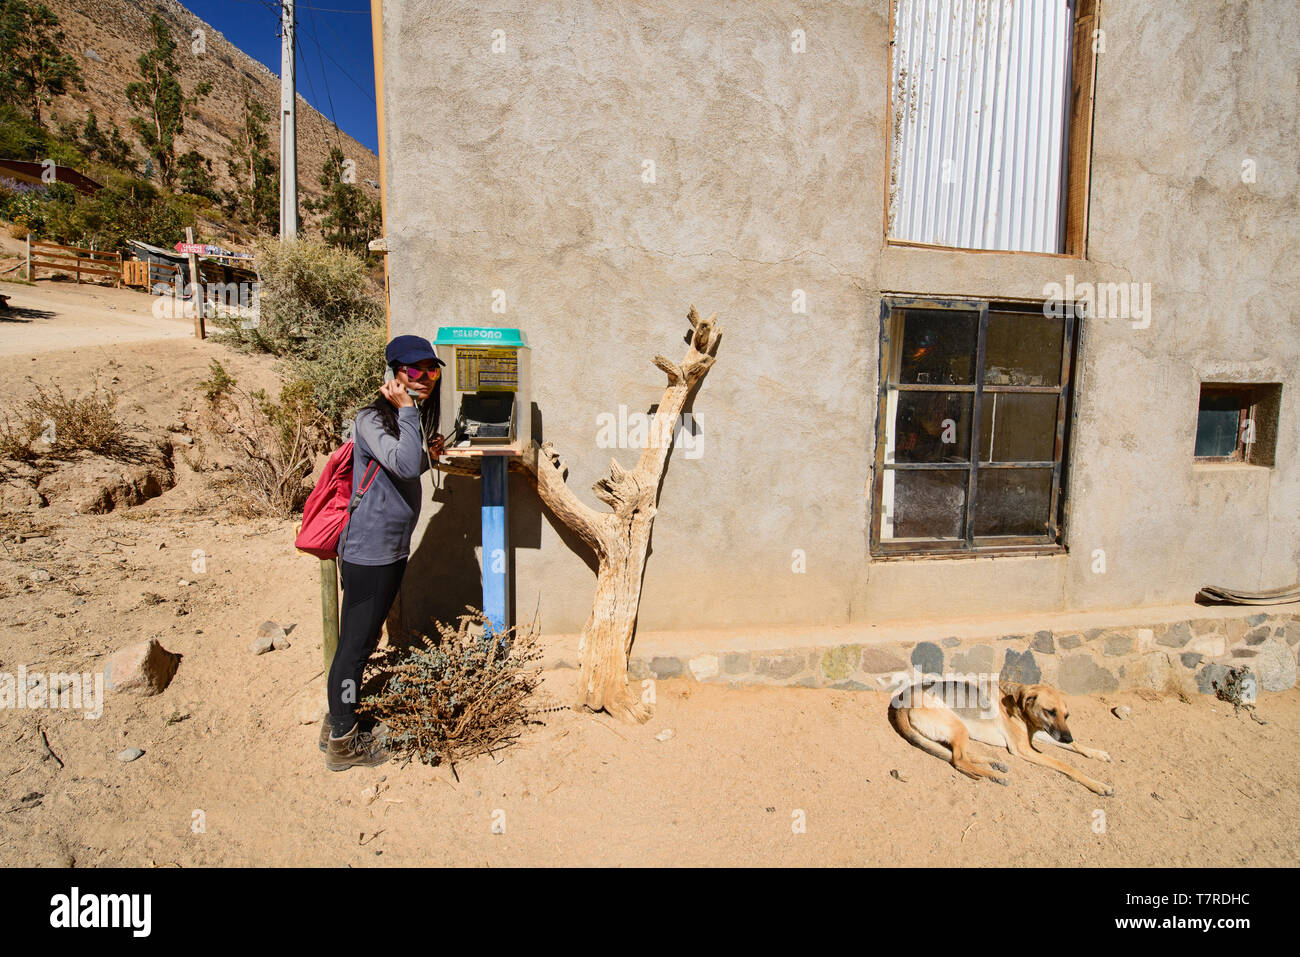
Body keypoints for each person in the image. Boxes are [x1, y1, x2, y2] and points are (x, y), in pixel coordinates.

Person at [323, 334, 446, 771]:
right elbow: (405, 465)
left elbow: (408, 463)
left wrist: (429, 450)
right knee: (355, 646)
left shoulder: (398, 418)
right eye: (415, 370)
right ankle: (342, 739)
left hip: (389, 549)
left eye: (432, 369)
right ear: (395, 374)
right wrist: (410, 413)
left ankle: (337, 721)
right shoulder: (371, 418)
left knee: (364, 638)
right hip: (368, 550)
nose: (426, 377)